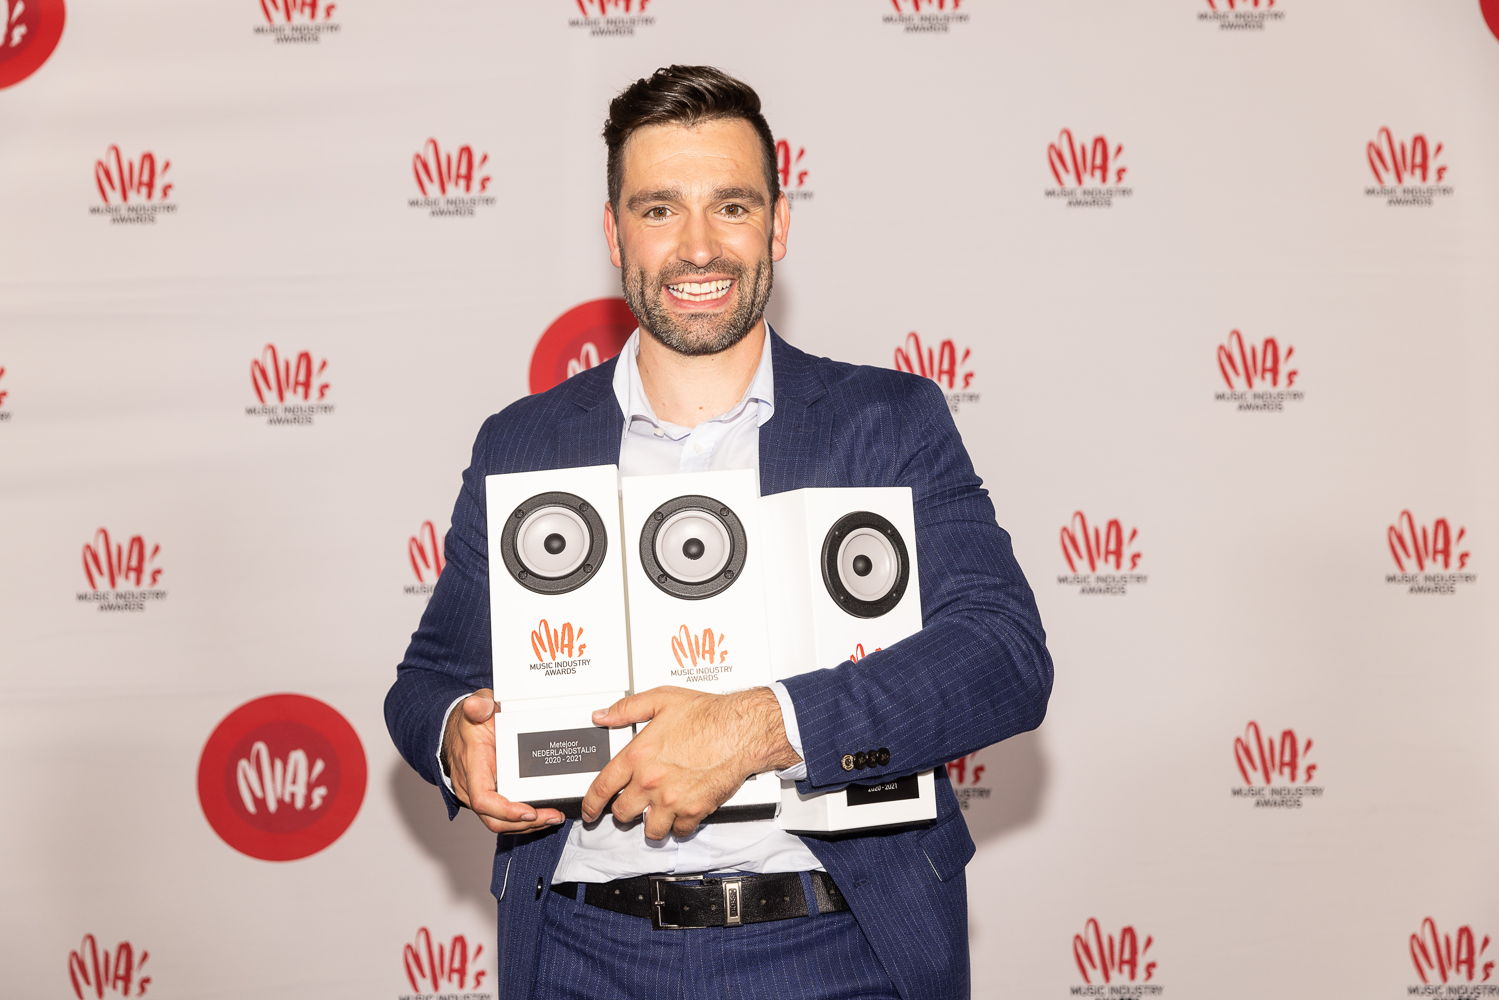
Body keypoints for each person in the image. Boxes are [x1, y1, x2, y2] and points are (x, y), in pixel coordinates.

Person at [385, 65, 1052, 1000]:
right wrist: (460, 737)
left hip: (841, 950)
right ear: (613, 233)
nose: (698, 247)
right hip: (585, 955)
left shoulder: (888, 421)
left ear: (777, 224)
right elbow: (427, 684)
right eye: (659, 210)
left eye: (730, 206)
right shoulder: (523, 441)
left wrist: (760, 727)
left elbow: (1003, 657)